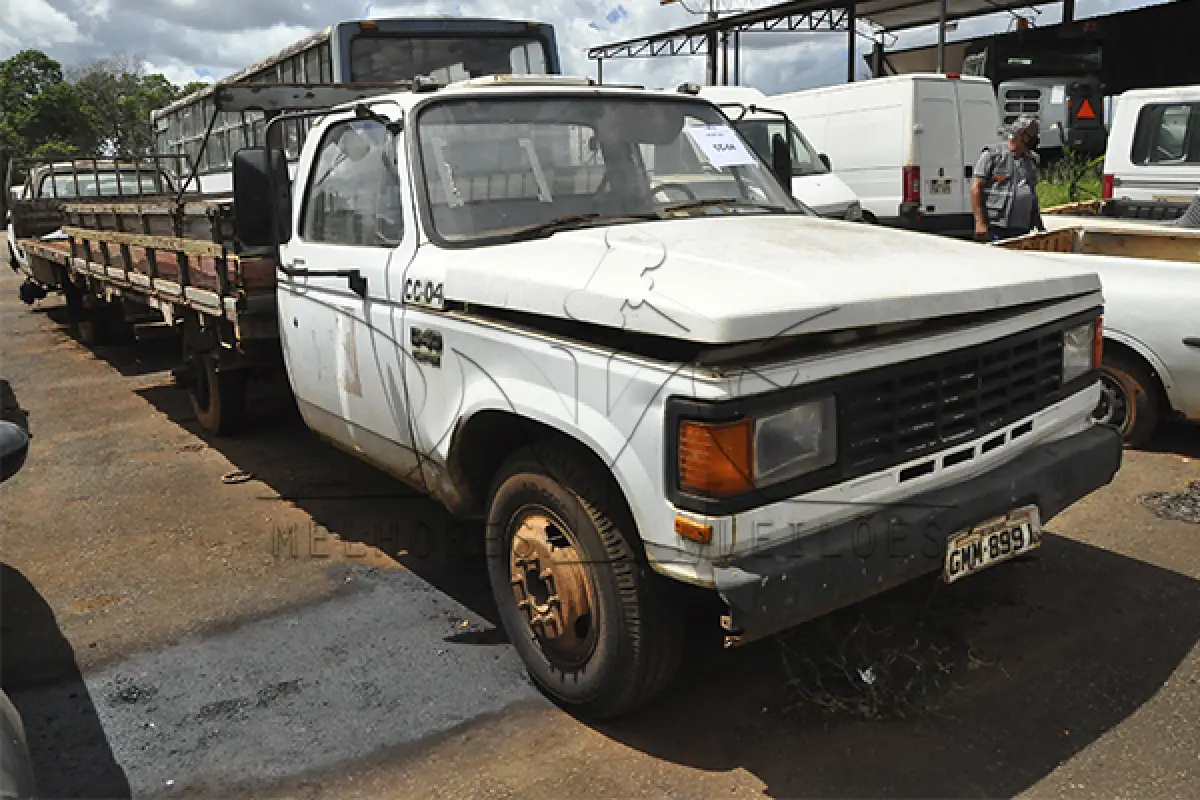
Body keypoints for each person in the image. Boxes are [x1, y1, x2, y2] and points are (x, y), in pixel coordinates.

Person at [971, 115, 1045, 241]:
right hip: (997, 225)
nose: (1036, 139)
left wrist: (1039, 225)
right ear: (1021, 134)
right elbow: (976, 188)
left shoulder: (1032, 160)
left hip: (1022, 227)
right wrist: (980, 223)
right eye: (1033, 135)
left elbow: (1032, 194)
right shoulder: (993, 155)